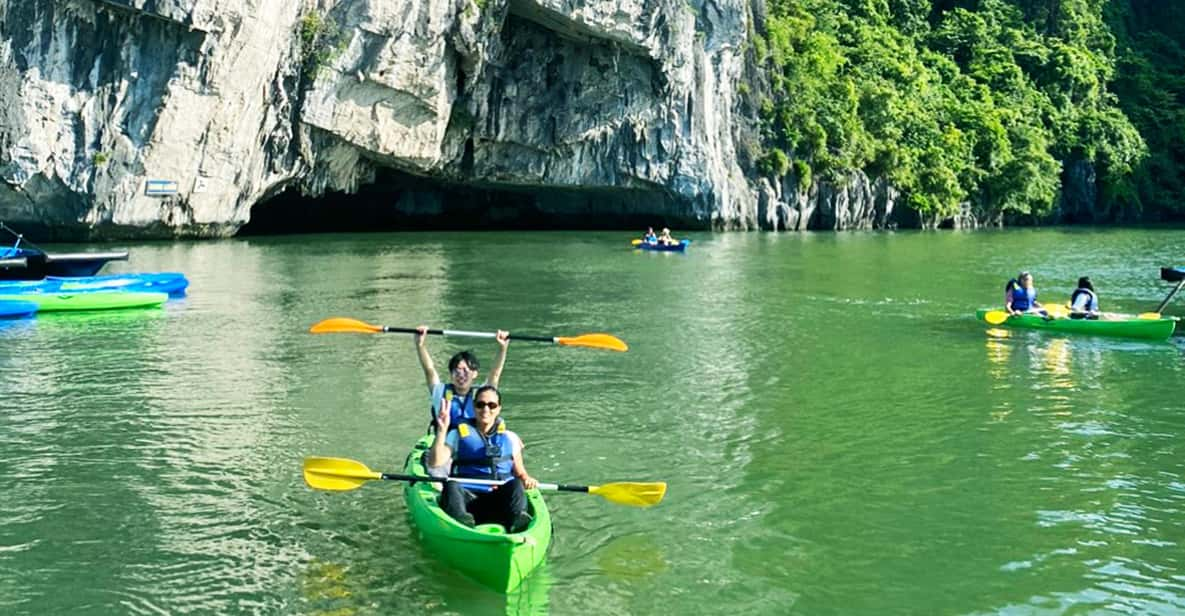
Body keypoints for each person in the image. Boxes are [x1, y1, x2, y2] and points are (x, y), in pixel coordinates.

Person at [427, 386, 538, 532]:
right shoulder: (456, 434)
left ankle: (518, 521)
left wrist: (527, 479)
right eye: (480, 404)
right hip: (468, 498)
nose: (486, 409)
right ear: (474, 407)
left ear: (498, 409)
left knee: (516, 483)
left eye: (491, 405)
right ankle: (461, 523)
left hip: (498, 498)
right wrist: (442, 430)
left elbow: (520, 472)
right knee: (451, 485)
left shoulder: (510, 437)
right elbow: (435, 463)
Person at [415, 325, 509, 427]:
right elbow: (429, 370)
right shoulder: (440, 391)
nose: (461, 375)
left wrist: (502, 348)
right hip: (446, 441)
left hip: (475, 440)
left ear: (474, 374)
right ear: (451, 374)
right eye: (457, 370)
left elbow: (495, 373)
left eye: (465, 370)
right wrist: (420, 345)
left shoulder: (482, 394)